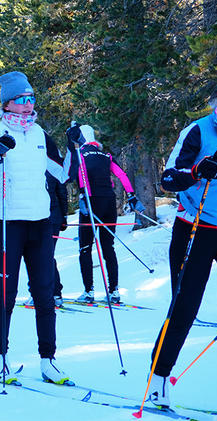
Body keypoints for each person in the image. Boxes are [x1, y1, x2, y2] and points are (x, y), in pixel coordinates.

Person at [146, 66, 217, 407]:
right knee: (185, 308)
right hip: (194, 228)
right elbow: (169, 180)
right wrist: (197, 171)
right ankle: (159, 379)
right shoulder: (199, 131)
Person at [0, 71, 70, 384]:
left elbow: (63, 174)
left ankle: (48, 360)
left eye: (31, 99)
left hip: (40, 224)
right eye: (22, 100)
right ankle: (0, 358)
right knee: (6, 294)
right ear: (8, 104)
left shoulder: (40, 133)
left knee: (44, 294)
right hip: (7, 224)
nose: (29, 105)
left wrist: (75, 149)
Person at [65, 123, 144, 304]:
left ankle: (89, 292)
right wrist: (131, 196)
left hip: (91, 202)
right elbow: (122, 175)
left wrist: (83, 194)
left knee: (85, 248)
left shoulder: (80, 154)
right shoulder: (106, 155)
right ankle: (114, 291)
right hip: (109, 202)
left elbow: (78, 173)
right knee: (108, 247)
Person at [25, 172, 68, 307]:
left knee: (39, 257)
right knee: (46, 256)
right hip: (43, 216)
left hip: (46, 217)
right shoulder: (49, 166)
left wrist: (63, 217)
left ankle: (47, 294)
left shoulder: (46, 167)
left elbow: (61, 191)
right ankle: (53, 293)